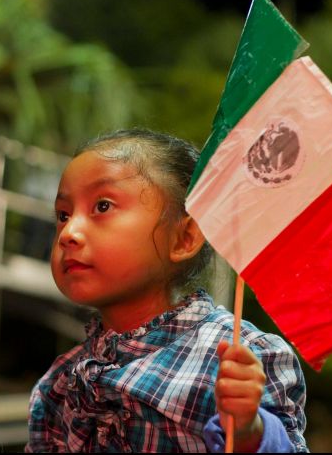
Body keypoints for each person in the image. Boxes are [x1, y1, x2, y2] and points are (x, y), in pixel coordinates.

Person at [26, 129, 307, 452]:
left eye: (102, 206)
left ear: (184, 238)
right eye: (63, 215)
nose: (68, 233)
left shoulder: (238, 357)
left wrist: (247, 429)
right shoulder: (58, 384)